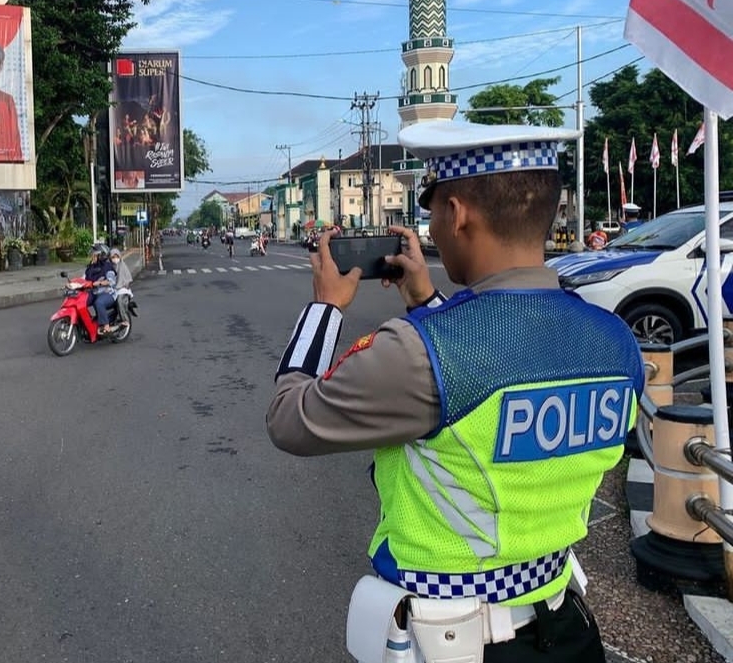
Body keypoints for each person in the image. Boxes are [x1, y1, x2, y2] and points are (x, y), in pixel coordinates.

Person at [266, 121, 644, 663]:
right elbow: (506, 364)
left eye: (434, 210)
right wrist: (427, 301)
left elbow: (289, 419)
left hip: (453, 645)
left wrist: (325, 308)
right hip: (567, 631)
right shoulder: (617, 342)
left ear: (458, 213)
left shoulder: (420, 352)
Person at [84, 244, 117, 333]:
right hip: (94, 292)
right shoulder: (90, 267)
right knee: (82, 302)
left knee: (99, 302)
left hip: (108, 293)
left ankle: (106, 326)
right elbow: (83, 278)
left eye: (94, 255)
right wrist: (73, 284)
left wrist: (100, 283)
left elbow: (111, 281)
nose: (92, 257)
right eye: (92, 255)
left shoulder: (107, 267)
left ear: (100, 256)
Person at [110, 247, 134, 326]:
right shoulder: (110, 267)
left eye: (117, 257)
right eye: (113, 257)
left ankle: (125, 320)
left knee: (120, 301)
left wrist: (124, 285)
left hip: (123, 289)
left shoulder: (123, 266)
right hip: (112, 289)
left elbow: (128, 279)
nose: (115, 259)